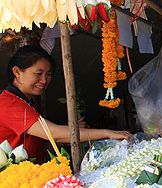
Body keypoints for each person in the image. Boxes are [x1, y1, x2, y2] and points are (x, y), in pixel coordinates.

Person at [0, 45, 132, 163]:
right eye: (38, 74)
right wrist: (107, 133)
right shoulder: (9, 104)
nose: (44, 80)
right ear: (17, 72)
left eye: (49, 74)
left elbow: (46, 140)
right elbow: (53, 134)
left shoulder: (26, 102)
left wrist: (70, 131)